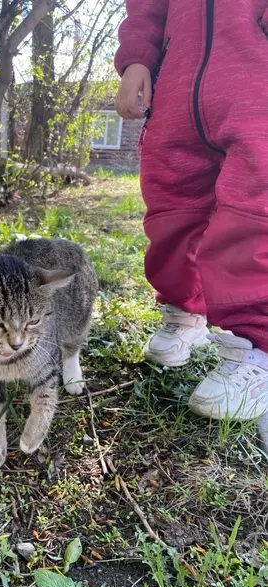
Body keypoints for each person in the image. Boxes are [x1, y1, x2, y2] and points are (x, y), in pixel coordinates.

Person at [114, 0, 268, 421]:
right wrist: (136, 60)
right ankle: (185, 312)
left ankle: (256, 347)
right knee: (171, 209)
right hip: (176, 88)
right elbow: (145, 8)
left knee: (253, 211)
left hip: (257, 78)